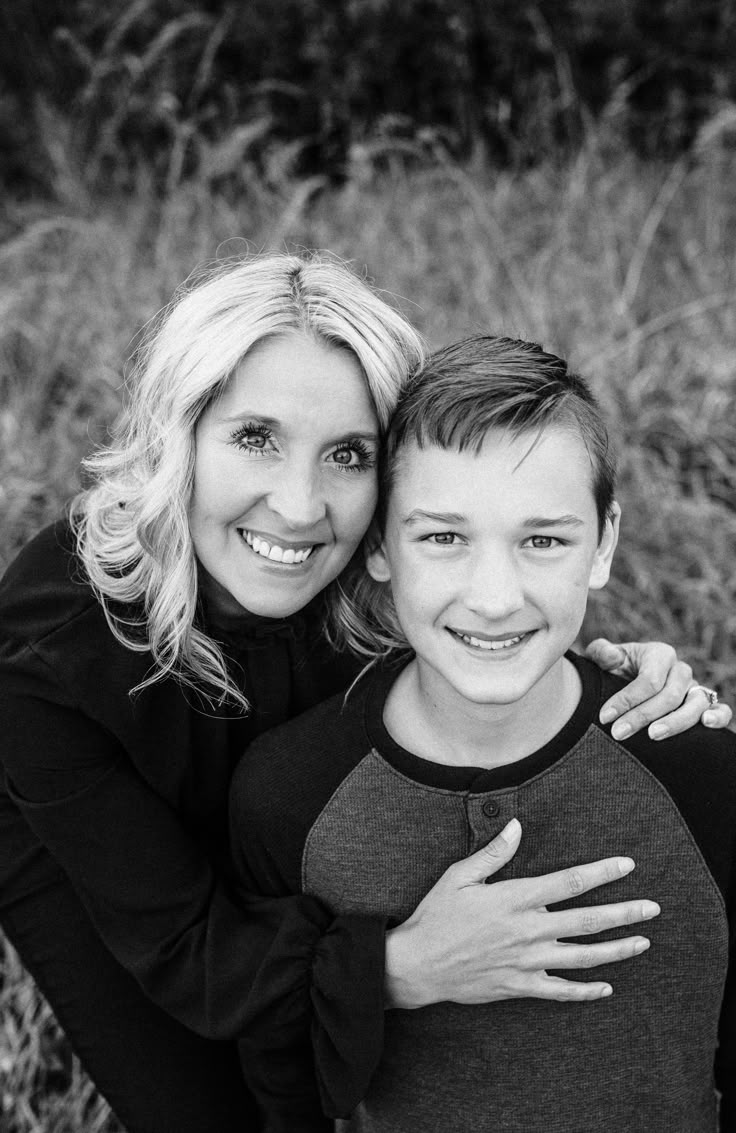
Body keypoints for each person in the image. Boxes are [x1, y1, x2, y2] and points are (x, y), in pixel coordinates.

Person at [0, 256, 729, 1133]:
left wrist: (614, 673)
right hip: (109, 863)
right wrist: (400, 966)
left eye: (348, 453)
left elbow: (486, 595)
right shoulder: (47, 649)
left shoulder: (362, 571)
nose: (302, 506)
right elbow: (187, 948)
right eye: (256, 437)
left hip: (292, 807)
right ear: (177, 432)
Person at [230, 334, 736, 1132]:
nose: (494, 597)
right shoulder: (286, 794)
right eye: (443, 536)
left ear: (603, 541)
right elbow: (275, 1082)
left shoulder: (701, 770)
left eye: (543, 539)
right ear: (381, 546)